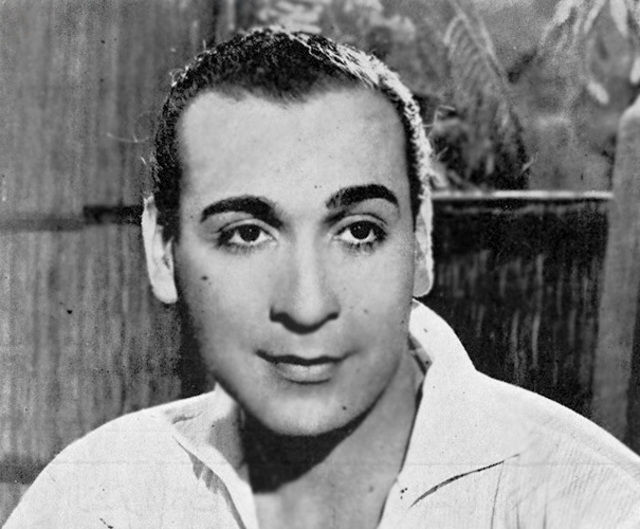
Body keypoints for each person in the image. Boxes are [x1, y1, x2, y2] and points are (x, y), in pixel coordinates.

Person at [5, 27, 640, 529]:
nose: (307, 305)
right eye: (246, 234)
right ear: (162, 250)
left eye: (358, 232)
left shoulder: (591, 502)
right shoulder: (98, 501)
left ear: (421, 242)